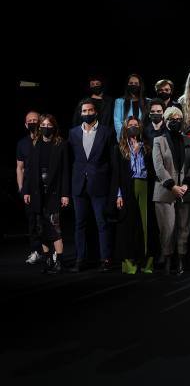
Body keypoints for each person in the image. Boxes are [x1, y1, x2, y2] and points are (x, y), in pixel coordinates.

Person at [68, 99, 116, 272]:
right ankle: (80, 259)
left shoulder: (107, 132)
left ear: (96, 112)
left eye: (90, 110)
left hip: (100, 185)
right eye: (84, 111)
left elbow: (112, 162)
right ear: (81, 113)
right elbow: (71, 160)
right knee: (79, 224)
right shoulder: (73, 133)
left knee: (102, 223)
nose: (87, 113)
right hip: (79, 185)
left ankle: (105, 259)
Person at [22, 114, 70, 273]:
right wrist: (26, 190)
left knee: (55, 228)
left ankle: (60, 261)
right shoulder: (36, 144)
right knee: (41, 228)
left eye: (49, 125)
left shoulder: (61, 144)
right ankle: (48, 259)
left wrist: (65, 194)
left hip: (53, 193)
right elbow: (30, 170)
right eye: (43, 125)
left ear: (54, 127)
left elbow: (65, 172)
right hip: (38, 193)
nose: (45, 127)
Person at [152, 106, 190, 275]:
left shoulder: (189, 141)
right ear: (166, 120)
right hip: (165, 192)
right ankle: (167, 260)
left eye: (178, 118)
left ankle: (181, 262)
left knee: (184, 228)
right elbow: (158, 166)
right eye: (172, 118)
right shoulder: (158, 141)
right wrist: (172, 186)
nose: (175, 121)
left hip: (185, 191)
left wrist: (185, 185)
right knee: (167, 228)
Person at [111, 117, 156, 275]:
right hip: (127, 188)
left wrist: (139, 151)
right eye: (130, 126)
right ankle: (129, 263)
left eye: (136, 125)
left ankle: (147, 263)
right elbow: (116, 174)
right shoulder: (119, 148)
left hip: (144, 186)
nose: (133, 128)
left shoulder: (147, 148)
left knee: (146, 225)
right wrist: (118, 195)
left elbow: (151, 171)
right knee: (128, 225)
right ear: (125, 128)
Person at [18, 111, 44, 264]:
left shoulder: (46, 140)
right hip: (29, 188)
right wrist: (21, 188)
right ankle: (36, 251)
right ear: (26, 124)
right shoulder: (22, 143)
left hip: (44, 186)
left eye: (35, 120)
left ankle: (50, 251)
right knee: (32, 221)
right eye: (30, 120)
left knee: (46, 220)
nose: (33, 122)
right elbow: (19, 167)